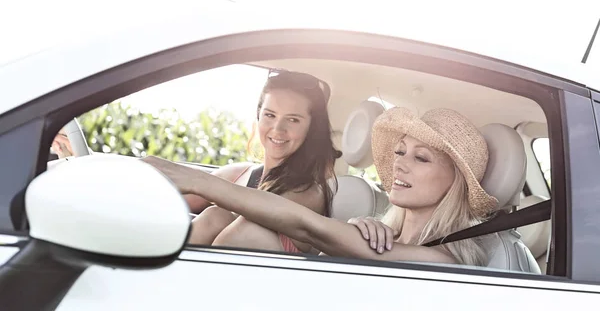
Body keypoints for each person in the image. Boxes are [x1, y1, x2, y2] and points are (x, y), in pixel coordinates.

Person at [148, 106, 499, 266]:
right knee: (224, 221)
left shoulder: (442, 262)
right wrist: (354, 233)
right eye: (399, 151)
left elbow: (307, 226)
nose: (399, 164)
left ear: (456, 182)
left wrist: (197, 180)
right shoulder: (380, 233)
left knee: (249, 233)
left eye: (421, 158)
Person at [143, 68, 341, 254]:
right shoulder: (239, 174)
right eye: (270, 115)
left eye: (293, 120)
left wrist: (198, 181)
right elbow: (173, 204)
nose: (277, 129)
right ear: (258, 116)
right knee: (215, 216)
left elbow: (271, 207)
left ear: (311, 128)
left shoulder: (309, 192)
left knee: (246, 231)